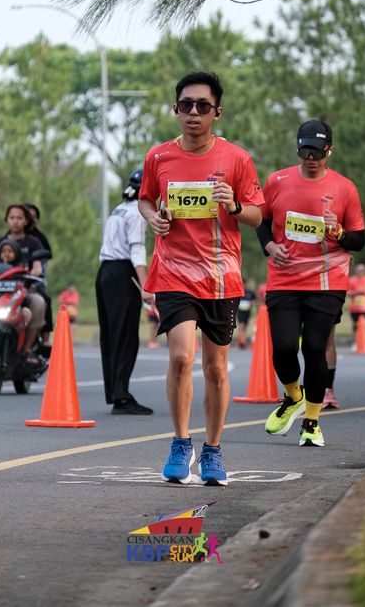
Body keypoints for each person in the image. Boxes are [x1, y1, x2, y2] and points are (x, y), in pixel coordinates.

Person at [138, 71, 264, 485]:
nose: (194, 112)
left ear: (216, 112)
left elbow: (258, 215)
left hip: (220, 276)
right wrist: (154, 218)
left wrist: (234, 206)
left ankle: (212, 449)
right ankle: (180, 442)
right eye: (186, 105)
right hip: (173, 271)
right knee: (180, 357)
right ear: (176, 110)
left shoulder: (237, 159)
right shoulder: (158, 157)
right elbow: (145, 199)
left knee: (215, 369)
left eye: (203, 106)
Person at [257, 119, 365, 447]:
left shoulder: (345, 188)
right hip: (284, 277)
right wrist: (269, 245)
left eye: (317, 152)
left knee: (315, 348)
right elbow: (261, 220)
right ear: (297, 148)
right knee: (284, 346)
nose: (311, 158)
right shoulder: (277, 181)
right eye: (305, 151)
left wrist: (339, 232)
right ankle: (294, 397)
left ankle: (312, 421)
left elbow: (359, 240)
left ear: (329, 150)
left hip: (327, 280)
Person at [95, 169, 155, 415]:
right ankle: (121, 397)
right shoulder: (137, 213)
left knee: (110, 336)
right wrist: (146, 286)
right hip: (123, 273)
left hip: (105, 272)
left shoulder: (118, 209)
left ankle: (115, 392)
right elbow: (137, 251)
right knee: (126, 337)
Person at [0, 204, 46, 357]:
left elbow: (38, 265)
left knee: (38, 302)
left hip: (24, 290)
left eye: (19, 218)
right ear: (6, 220)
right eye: (12, 218)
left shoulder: (33, 243)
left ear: (26, 221)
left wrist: (36, 270)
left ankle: (27, 349)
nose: (15, 221)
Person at [24, 203, 53, 342]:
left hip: (33, 280)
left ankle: (45, 337)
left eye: (34, 217)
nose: (31, 220)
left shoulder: (39, 240)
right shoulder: (8, 237)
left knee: (44, 299)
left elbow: (44, 259)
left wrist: (36, 270)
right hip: (11, 281)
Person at [347, 263, 365, 342]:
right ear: (356, 271)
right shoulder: (351, 280)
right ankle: (355, 342)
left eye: (362, 270)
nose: (361, 272)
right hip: (355, 308)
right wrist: (357, 292)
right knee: (355, 326)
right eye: (359, 270)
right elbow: (348, 293)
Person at [236, 281, 256, 348]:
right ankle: (242, 342)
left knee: (245, 327)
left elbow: (254, 301)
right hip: (240, 311)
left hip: (247, 311)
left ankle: (242, 340)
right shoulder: (239, 292)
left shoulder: (250, 293)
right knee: (242, 326)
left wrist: (251, 304)